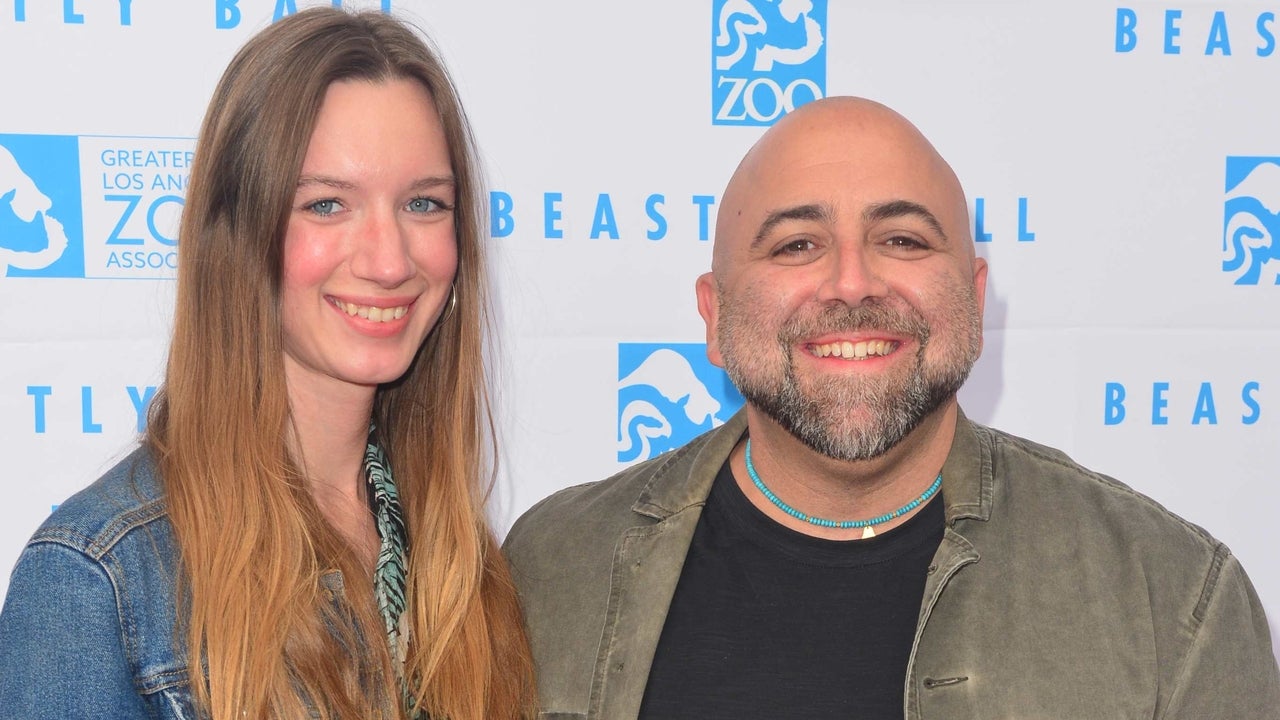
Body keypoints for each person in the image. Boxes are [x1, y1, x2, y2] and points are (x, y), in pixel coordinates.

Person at [502, 96, 1280, 719]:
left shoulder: (1171, 599)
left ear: (974, 299)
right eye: (796, 244)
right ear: (714, 314)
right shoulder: (550, 570)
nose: (851, 282)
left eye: (904, 240)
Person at [0, 8, 535, 720]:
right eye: (326, 204)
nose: (389, 259)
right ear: (236, 231)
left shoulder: (458, 556)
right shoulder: (100, 581)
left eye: (423, 203)